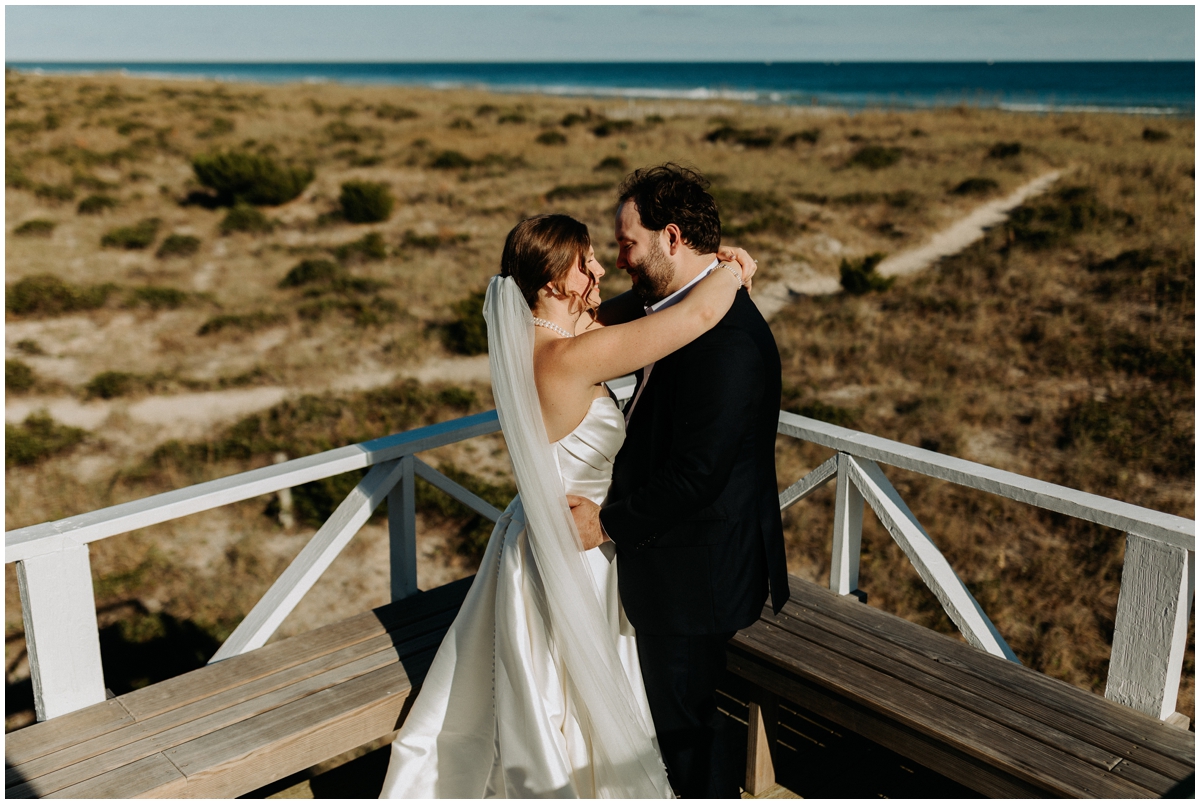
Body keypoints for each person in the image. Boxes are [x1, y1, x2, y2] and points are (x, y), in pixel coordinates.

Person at [379, 212, 756, 798]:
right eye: (587, 262)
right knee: (574, 697)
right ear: (554, 281)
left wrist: (701, 265)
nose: (601, 266)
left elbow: (626, 309)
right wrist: (731, 269)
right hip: (579, 547)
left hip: (533, 535)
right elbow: (698, 316)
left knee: (547, 690)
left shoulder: (539, 339)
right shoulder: (570, 359)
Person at [569, 164, 790, 798]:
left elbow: (698, 474)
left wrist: (605, 523)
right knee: (665, 718)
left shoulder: (727, 343)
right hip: (671, 556)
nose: (619, 260)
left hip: (699, 571)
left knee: (684, 728)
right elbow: (596, 327)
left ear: (671, 238)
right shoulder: (671, 304)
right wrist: (727, 272)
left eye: (626, 243)